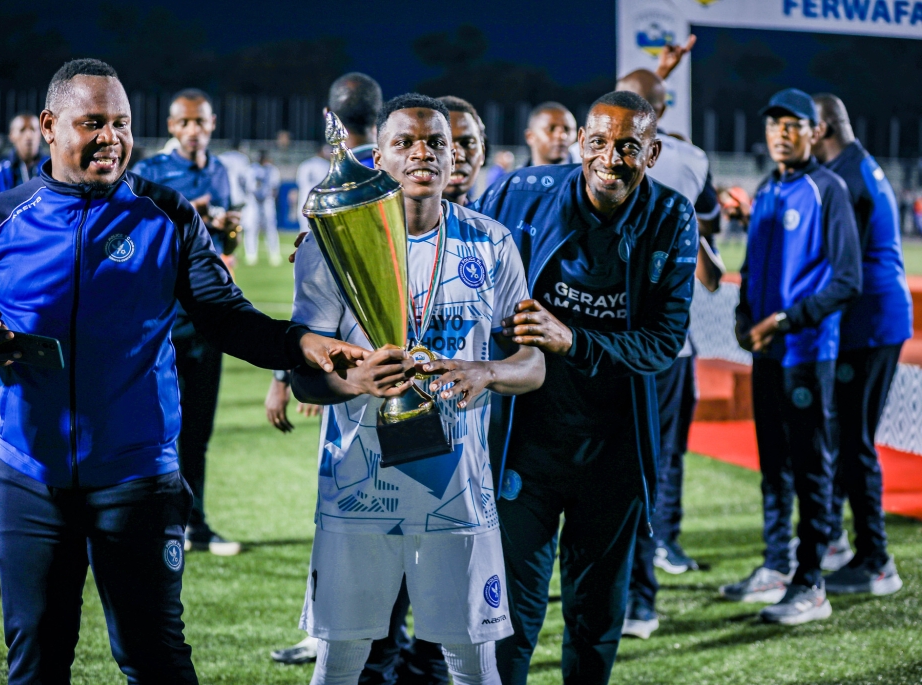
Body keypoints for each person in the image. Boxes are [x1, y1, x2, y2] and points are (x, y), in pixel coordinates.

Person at [0, 58, 365, 685]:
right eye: (94, 123)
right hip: (28, 479)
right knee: (35, 661)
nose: (112, 137)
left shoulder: (167, 215)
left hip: (138, 479)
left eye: (122, 123)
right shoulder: (3, 217)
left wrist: (303, 344)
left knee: (155, 659)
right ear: (51, 127)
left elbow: (224, 316)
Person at [291, 93, 545, 685]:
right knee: (341, 660)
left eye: (436, 142)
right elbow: (304, 369)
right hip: (356, 486)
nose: (422, 153)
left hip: (458, 488)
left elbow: (532, 363)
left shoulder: (493, 242)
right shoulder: (329, 248)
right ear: (378, 156)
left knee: (472, 662)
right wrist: (354, 378)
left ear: (457, 156)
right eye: (404, 142)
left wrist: (489, 371)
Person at [473, 90, 698, 684]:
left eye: (628, 146)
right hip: (526, 445)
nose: (610, 158)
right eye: (598, 142)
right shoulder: (521, 192)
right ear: (580, 144)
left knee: (595, 618)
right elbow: (457, 256)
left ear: (652, 152)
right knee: (507, 621)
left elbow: (663, 342)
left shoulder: (673, 217)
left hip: (614, 453)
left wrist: (573, 340)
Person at [723, 88, 861, 625]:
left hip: (807, 352)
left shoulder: (829, 190)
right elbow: (753, 271)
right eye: (773, 124)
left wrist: (786, 320)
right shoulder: (766, 190)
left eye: (792, 124)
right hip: (766, 353)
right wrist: (742, 315)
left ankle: (812, 582)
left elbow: (848, 281)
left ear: (813, 132)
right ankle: (778, 566)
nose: (781, 132)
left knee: (810, 468)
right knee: (773, 466)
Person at [270, 71, 385, 668]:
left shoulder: (333, 181)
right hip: (411, 371)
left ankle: (332, 637)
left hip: (345, 372)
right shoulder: (403, 174)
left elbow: (309, 300)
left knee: (341, 512)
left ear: (331, 116)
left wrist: (289, 377)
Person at [615, 67, 724, 640]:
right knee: (658, 459)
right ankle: (661, 557)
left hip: (607, 345)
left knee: (620, 466)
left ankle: (637, 593)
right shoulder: (690, 158)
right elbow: (712, 255)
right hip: (664, 345)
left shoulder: (596, 161)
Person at [133, 88, 244, 556]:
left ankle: (194, 523)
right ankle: (155, 524)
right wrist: (186, 214)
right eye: (186, 123)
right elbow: (133, 233)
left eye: (202, 122)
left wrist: (227, 231)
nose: (195, 130)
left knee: (198, 433)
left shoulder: (219, 171)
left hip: (207, 320)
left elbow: (227, 251)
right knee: (158, 431)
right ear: (173, 127)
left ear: (212, 124)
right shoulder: (151, 172)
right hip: (162, 324)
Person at [811, 93, 909, 595]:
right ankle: (835, 538)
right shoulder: (857, 164)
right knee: (843, 435)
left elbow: (834, 260)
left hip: (868, 323)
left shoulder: (846, 177)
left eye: (806, 127)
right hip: (871, 319)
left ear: (823, 127)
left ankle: (875, 560)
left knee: (853, 441)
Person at [0, 113, 45, 205]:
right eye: (22, 130)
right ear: (11, 136)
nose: (29, 135)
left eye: (33, 129)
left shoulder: (51, 166)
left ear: (41, 134)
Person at [244, 150, 282, 266]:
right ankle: (251, 254)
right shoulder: (251, 169)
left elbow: (275, 187)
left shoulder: (272, 170)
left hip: (267, 200)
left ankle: (274, 254)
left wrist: (269, 197)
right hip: (253, 201)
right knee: (251, 228)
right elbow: (248, 186)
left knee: (270, 228)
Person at [524, 102, 577, 166]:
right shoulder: (515, 175)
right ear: (530, 137)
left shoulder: (586, 174)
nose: (562, 136)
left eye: (567, 129)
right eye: (551, 129)